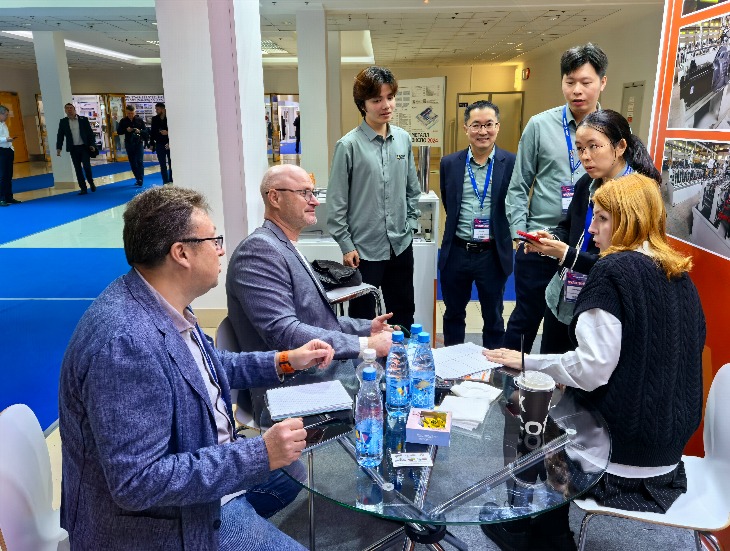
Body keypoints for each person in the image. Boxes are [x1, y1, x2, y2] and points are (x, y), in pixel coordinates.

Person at [59, 186, 335, 550]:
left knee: (291, 472)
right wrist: (259, 453)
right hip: (158, 527)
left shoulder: (160, 302)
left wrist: (285, 360)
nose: (221, 250)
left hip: (199, 475)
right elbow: (137, 482)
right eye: (214, 240)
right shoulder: (126, 344)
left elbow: (208, 366)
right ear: (182, 253)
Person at [484, 174, 705, 551]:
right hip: (668, 456)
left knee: (526, 408)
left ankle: (533, 532)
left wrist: (527, 362)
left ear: (629, 220)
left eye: (602, 218)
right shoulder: (680, 276)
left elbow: (591, 371)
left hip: (618, 459)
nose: (591, 229)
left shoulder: (611, 272)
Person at [226, 164, 395, 426]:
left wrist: (366, 329)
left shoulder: (283, 245)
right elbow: (284, 333)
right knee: (400, 383)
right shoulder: (258, 251)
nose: (314, 201)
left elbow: (315, 319)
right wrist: (366, 345)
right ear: (275, 198)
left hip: (317, 371)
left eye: (312, 192)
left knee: (402, 358)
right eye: (305, 193)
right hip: (292, 386)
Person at [521, 109, 662, 354]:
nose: (585, 156)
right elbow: (568, 226)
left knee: (590, 370)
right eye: (580, 148)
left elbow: (625, 265)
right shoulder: (586, 183)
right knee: (552, 363)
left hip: (606, 302)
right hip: (566, 294)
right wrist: (552, 239)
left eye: (593, 147)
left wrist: (566, 254)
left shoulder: (639, 196)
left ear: (620, 147)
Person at [505, 43, 608, 353]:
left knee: (571, 327)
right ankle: (509, 377)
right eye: (570, 81)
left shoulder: (613, 130)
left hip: (585, 248)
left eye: (586, 82)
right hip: (540, 244)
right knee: (525, 320)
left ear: (602, 82)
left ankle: (556, 382)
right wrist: (520, 235)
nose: (577, 90)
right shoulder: (539, 125)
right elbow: (518, 185)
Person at [327, 66, 421, 329]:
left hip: (400, 244)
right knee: (364, 317)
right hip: (364, 250)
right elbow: (336, 203)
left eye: (390, 97)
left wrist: (411, 225)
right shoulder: (348, 145)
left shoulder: (403, 139)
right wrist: (346, 245)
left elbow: (412, 190)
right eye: (377, 99)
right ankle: (367, 357)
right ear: (363, 104)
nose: (386, 105)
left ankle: (402, 352)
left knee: (404, 310)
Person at [438, 100, 516, 348]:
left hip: (492, 253)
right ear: (466, 128)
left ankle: (493, 365)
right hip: (457, 251)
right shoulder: (449, 163)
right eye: (476, 125)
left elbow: (516, 202)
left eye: (489, 124)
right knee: (453, 314)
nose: (483, 131)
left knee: (493, 317)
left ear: (498, 127)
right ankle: (453, 363)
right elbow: (449, 203)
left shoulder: (511, 162)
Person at [56, 103, 97, 195]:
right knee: (77, 169)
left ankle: (91, 182)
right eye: (67, 108)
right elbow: (60, 135)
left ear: (74, 109)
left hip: (84, 147)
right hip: (73, 149)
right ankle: (83, 188)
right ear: (65, 110)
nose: (69, 110)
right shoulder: (63, 122)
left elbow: (90, 133)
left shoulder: (83, 120)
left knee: (86, 167)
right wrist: (59, 148)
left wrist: (92, 145)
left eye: (71, 108)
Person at [117, 104, 148, 186]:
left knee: (139, 161)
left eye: (132, 113)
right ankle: (137, 178)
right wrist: (126, 130)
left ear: (135, 112)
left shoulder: (139, 120)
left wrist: (139, 131)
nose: (130, 115)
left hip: (138, 143)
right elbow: (119, 131)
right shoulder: (123, 121)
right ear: (126, 113)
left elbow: (146, 131)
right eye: (129, 113)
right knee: (133, 162)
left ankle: (141, 179)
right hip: (129, 143)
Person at [150, 101, 172, 184]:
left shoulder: (170, 118)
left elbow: (176, 130)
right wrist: (152, 143)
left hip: (169, 142)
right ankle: (165, 181)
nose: (156, 111)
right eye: (156, 109)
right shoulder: (155, 119)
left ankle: (172, 180)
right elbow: (152, 132)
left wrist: (168, 132)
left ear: (163, 109)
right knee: (162, 164)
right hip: (159, 143)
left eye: (157, 109)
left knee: (171, 163)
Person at [0, 105, 17, 207]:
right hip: (1, 151)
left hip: (8, 150)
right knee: (2, 176)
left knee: (8, 175)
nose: (7, 117)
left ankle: (9, 197)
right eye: (5, 115)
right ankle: (1, 198)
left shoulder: (4, 124)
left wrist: (11, 145)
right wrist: (6, 139)